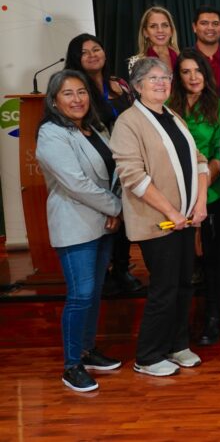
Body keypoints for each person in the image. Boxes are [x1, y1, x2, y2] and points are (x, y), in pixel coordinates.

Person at [110, 57, 208, 376]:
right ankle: (149, 356)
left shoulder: (172, 116)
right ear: (137, 86)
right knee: (164, 289)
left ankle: (177, 345)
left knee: (183, 286)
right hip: (158, 222)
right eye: (153, 79)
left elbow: (200, 161)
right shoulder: (128, 122)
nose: (162, 83)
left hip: (185, 220)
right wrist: (172, 211)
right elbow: (132, 176)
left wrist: (200, 204)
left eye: (165, 77)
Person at [36, 70, 124, 392]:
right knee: (80, 295)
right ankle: (72, 365)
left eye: (81, 92)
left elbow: (117, 168)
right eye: (68, 94)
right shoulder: (51, 134)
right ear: (55, 100)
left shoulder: (95, 128)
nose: (77, 99)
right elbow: (76, 183)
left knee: (94, 293)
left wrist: (114, 208)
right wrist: (116, 208)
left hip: (102, 223)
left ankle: (87, 351)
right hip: (75, 226)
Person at [63, 33, 140, 295]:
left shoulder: (119, 84)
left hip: (127, 159)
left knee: (125, 214)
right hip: (97, 162)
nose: (93, 54)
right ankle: (103, 272)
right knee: (105, 214)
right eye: (85, 52)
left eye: (97, 49)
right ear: (76, 58)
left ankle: (121, 268)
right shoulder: (77, 91)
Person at [169, 48, 220, 346]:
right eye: (186, 71)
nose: (193, 77)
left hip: (211, 192)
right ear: (178, 76)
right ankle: (179, 326)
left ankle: (213, 320)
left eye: (197, 70)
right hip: (173, 195)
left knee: (212, 260)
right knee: (180, 262)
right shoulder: (169, 107)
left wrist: (201, 185)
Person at [127, 6, 180, 75]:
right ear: (145, 32)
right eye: (153, 26)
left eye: (165, 25)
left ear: (171, 30)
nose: (160, 30)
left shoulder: (182, 59)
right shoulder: (137, 62)